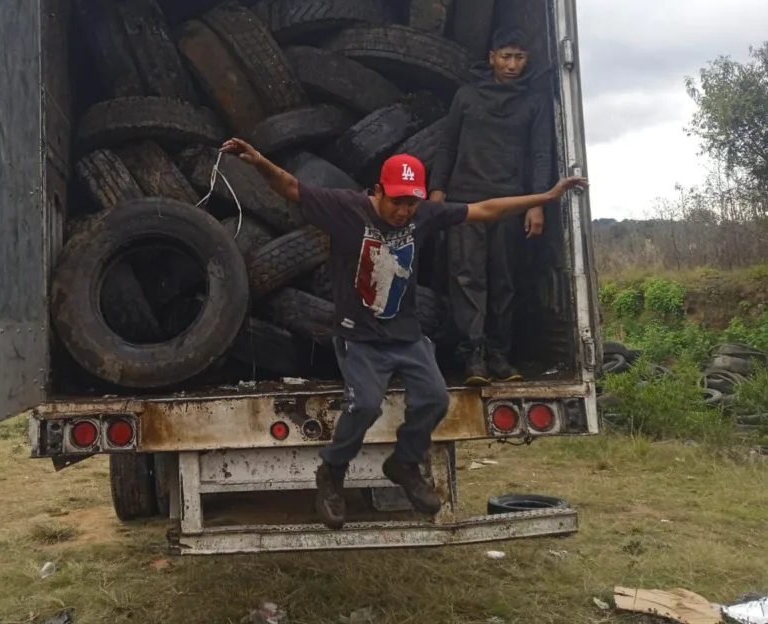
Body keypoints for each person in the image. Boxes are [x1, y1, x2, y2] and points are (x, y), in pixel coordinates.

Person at [220, 137, 586, 530]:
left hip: (405, 335)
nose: (403, 211)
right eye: (396, 201)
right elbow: (292, 187)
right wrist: (259, 162)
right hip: (358, 336)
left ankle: (405, 463)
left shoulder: (422, 215)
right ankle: (332, 471)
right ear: (378, 191)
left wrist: (545, 196)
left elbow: (485, 209)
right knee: (365, 406)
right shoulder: (346, 208)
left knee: (434, 399)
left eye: (410, 202)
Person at [429, 27, 554, 385]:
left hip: (511, 202)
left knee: (504, 281)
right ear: (491, 57)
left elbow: (540, 154)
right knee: (467, 278)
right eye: (505, 56)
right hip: (464, 199)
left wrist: (537, 204)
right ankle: (474, 357)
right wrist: (437, 191)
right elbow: (447, 146)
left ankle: (499, 355)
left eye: (519, 57)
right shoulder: (466, 96)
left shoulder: (534, 102)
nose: (512, 64)